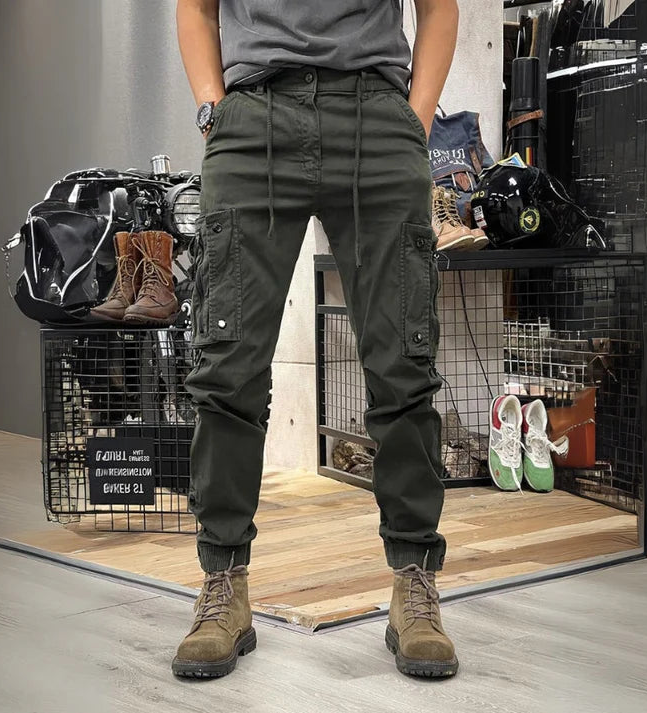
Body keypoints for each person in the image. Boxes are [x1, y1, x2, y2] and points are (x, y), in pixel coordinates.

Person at [174, 0, 460, 679]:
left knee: (403, 365)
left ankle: (414, 583)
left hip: (376, 114)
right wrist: (214, 112)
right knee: (227, 369)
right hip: (252, 115)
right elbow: (196, 8)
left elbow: (438, 8)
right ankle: (223, 584)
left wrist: (413, 122)